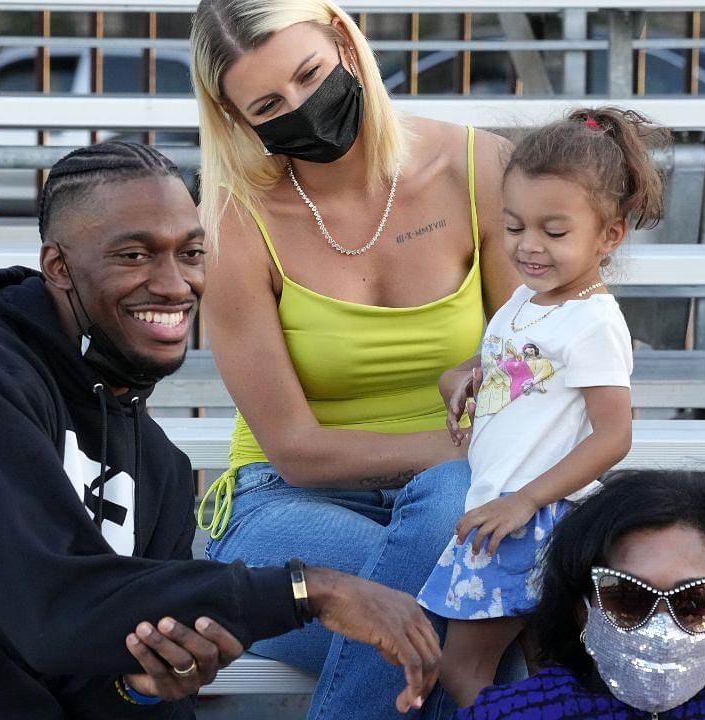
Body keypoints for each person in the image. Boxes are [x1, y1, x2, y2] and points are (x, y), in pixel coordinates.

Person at [0, 142, 442, 720]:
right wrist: (307, 591)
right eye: (134, 255)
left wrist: (142, 684)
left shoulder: (154, 464)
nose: (173, 283)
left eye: (189, 253)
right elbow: (54, 605)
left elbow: (96, 678)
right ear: (58, 268)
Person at [188, 1, 516, 716]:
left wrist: (475, 454)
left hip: (460, 497)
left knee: (448, 511)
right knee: (492, 651)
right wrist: (466, 444)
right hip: (282, 502)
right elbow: (298, 451)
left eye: (310, 75)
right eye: (269, 104)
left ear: (342, 39)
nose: (303, 109)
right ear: (236, 118)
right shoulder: (234, 220)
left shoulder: (480, 166)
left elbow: (534, 361)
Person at [416, 107, 662, 705]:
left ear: (609, 236)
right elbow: (516, 367)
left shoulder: (594, 321)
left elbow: (614, 436)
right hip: (512, 510)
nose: (529, 246)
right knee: (548, 671)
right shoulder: (529, 300)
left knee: (463, 669)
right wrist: (461, 377)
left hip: (529, 518)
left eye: (554, 232)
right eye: (513, 226)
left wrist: (525, 500)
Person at [459, 470, 705, 719]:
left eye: (696, 601)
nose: (661, 626)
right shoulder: (512, 714)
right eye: (627, 596)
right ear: (583, 610)